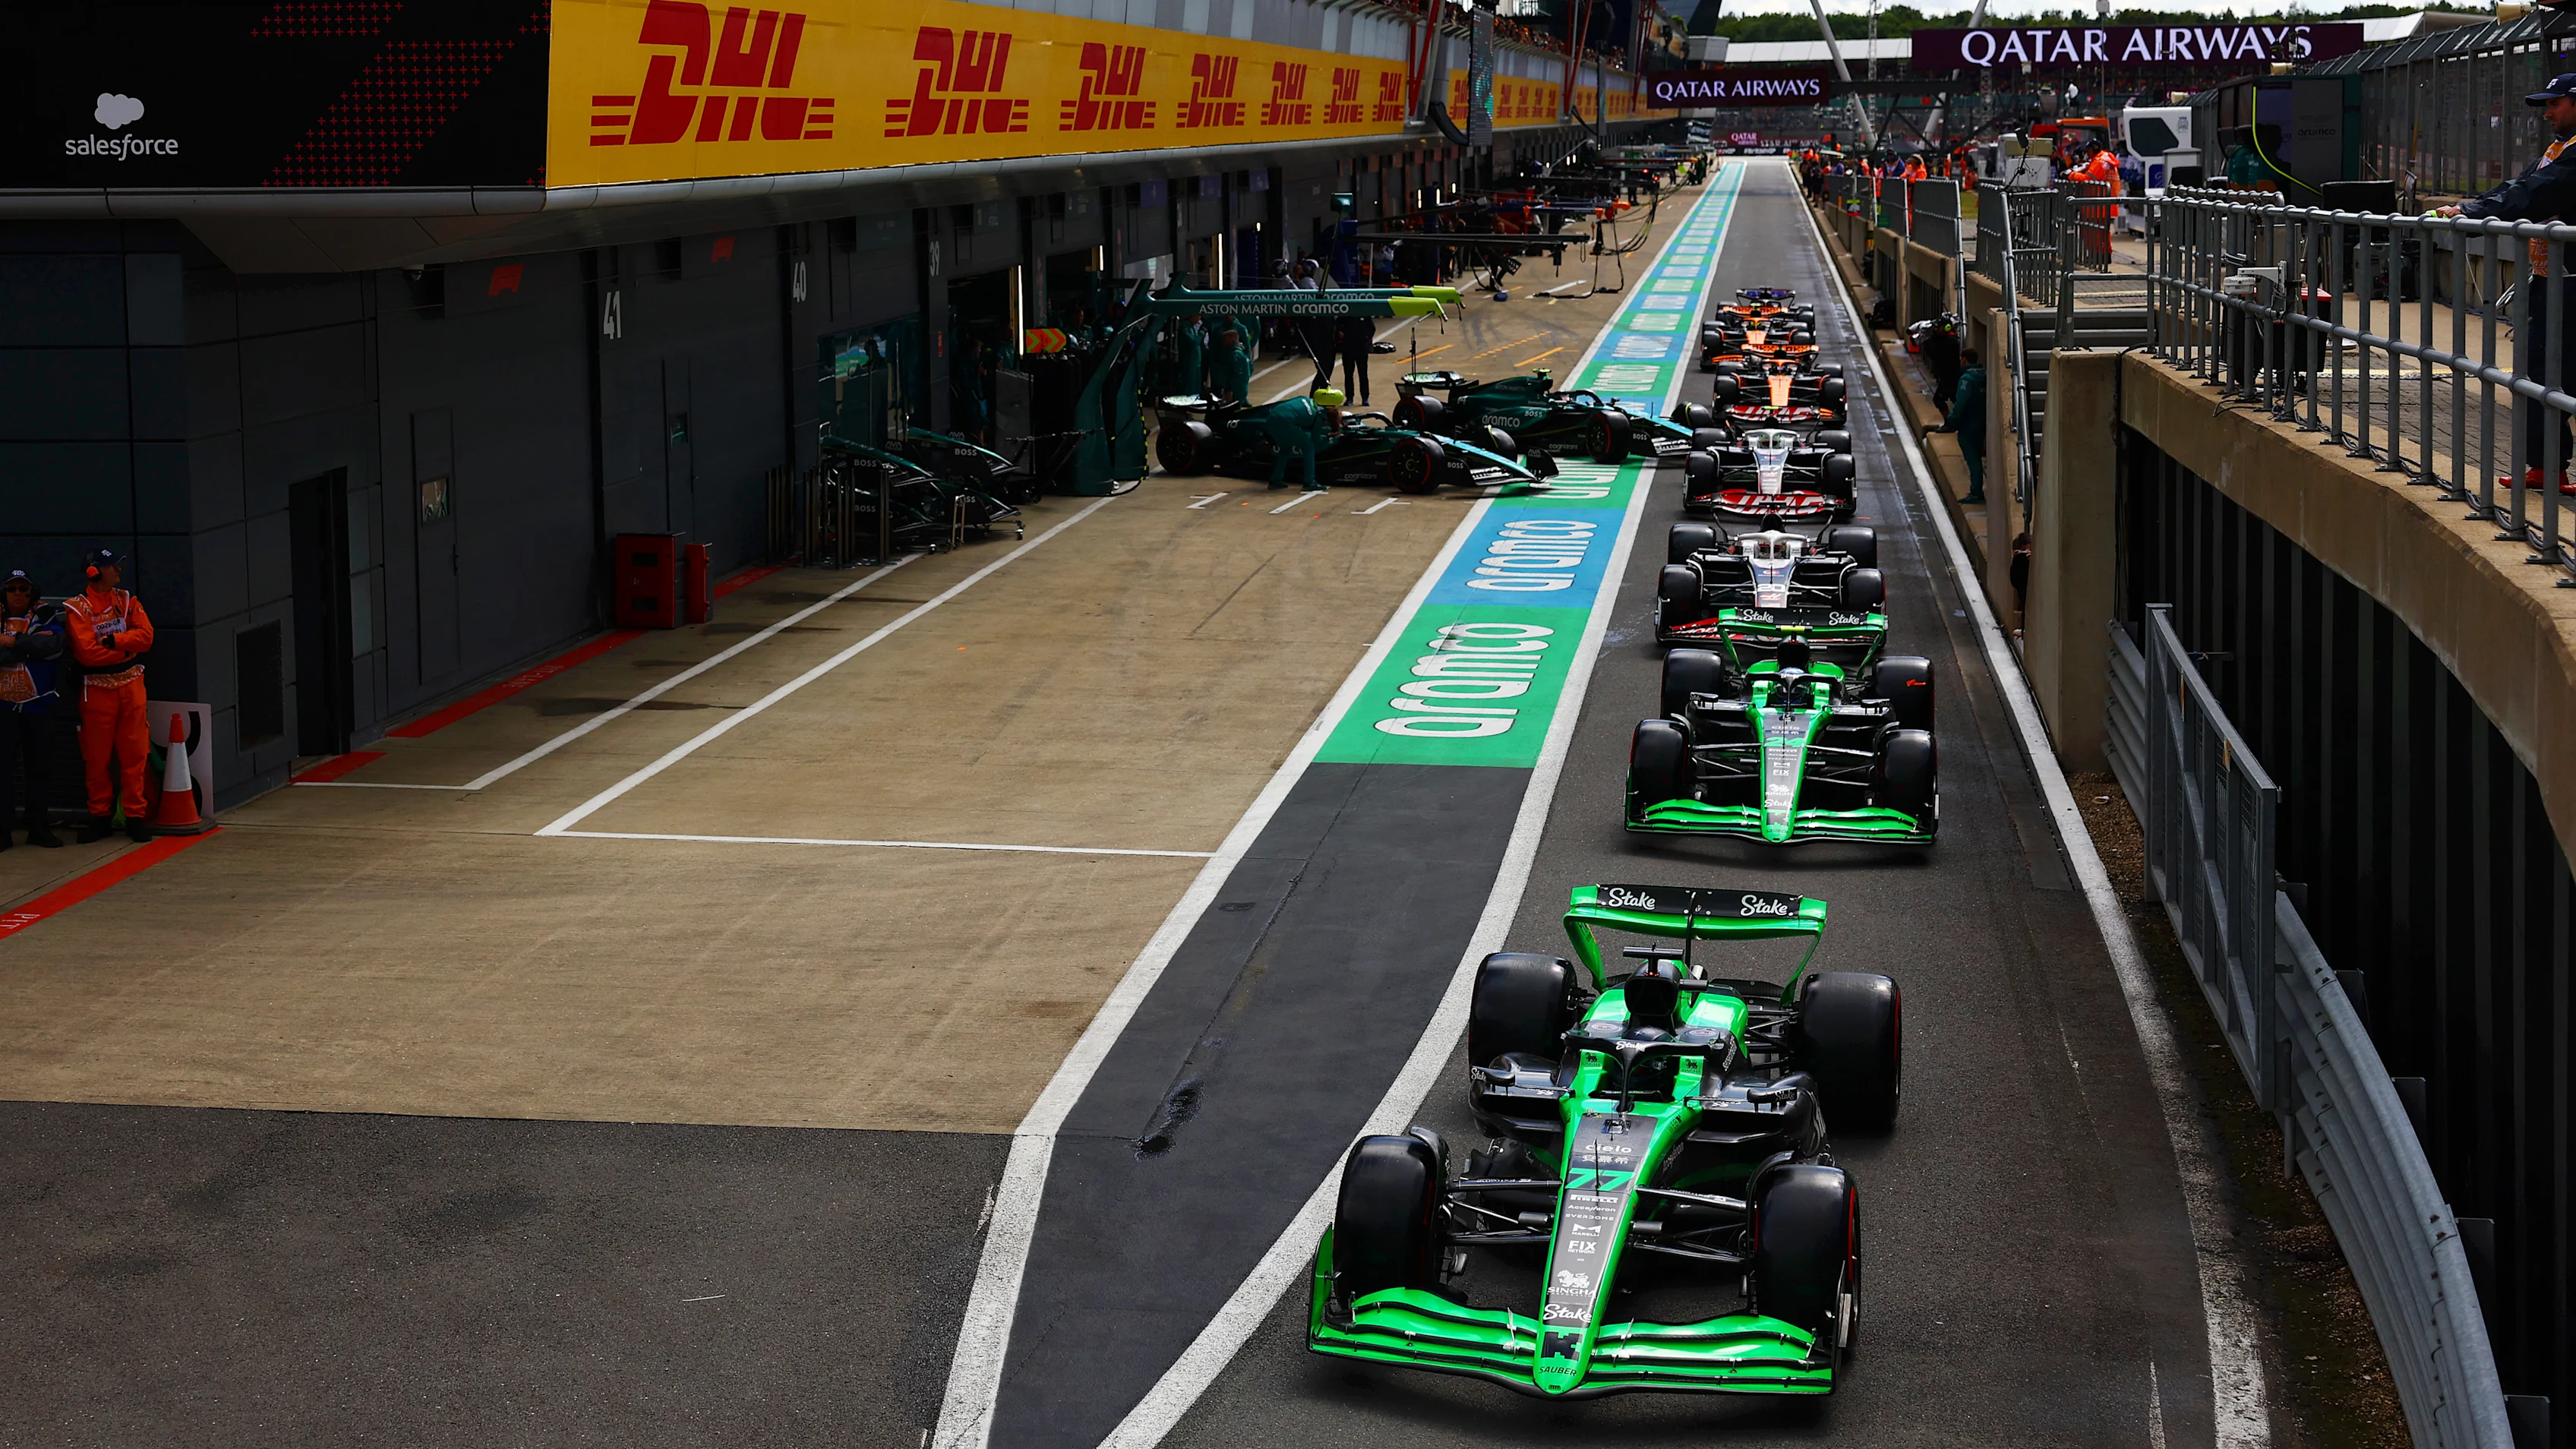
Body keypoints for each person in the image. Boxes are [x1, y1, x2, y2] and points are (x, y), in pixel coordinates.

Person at [2436, 72, 2576, 494]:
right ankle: (2547, 468)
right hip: (2550, 279)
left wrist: (2475, 210)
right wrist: (2471, 207)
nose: (2547, 113)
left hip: (2572, 283)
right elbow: (2519, 185)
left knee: (2552, 374)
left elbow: (2537, 192)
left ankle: (2549, 467)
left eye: (2555, 104)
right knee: (2538, 375)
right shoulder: (2556, 151)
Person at [62, 548, 154, 843]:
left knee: (135, 754)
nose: (119, 571)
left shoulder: (128, 600)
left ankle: (135, 817)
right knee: (96, 758)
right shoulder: (78, 608)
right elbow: (87, 654)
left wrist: (114, 641)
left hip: (131, 685)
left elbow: (147, 637)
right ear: (95, 572)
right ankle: (100, 817)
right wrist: (128, 647)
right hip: (96, 690)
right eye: (113, 566)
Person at [0, 570, 67, 849]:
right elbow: (37, 648)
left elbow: (53, 645)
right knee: (2, 772)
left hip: (38, 707)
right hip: (3, 710)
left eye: (23, 590)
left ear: (32, 594)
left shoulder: (47, 616)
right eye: (12, 589)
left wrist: (13, 642)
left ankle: (38, 828)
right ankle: (2, 831)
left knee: (39, 771)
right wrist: (29, 648)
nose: (18, 594)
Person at [1929, 348, 1987, 504]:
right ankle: (1977, 489)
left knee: (1972, 459)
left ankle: (1976, 492)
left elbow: (1961, 403)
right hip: (1981, 422)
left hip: (1968, 424)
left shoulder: (1967, 379)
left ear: (1964, 360)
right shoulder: (1984, 376)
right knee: (1976, 456)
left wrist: (1952, 420)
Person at [1337, 314, 1377, 407]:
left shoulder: (1364, 314)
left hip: (1361, 348)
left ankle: (1365, 398)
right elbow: (1338, 327)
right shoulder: (1344, 315)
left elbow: (1372, 328)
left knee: (1363, 374)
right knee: (1348, 374)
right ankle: (1350, 398)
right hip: (1348, 348)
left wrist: (1366, 339)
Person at [1209, 327, 1252, 408]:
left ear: (1232, 341)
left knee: (1233, 409)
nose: (1223, 342)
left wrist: (1231, 389)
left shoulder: (1235, 355)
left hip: (1235, 389)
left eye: (1225, 340)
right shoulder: (1240, 353)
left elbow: (1237, 374)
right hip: (1239, 387)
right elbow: (1251, 367)